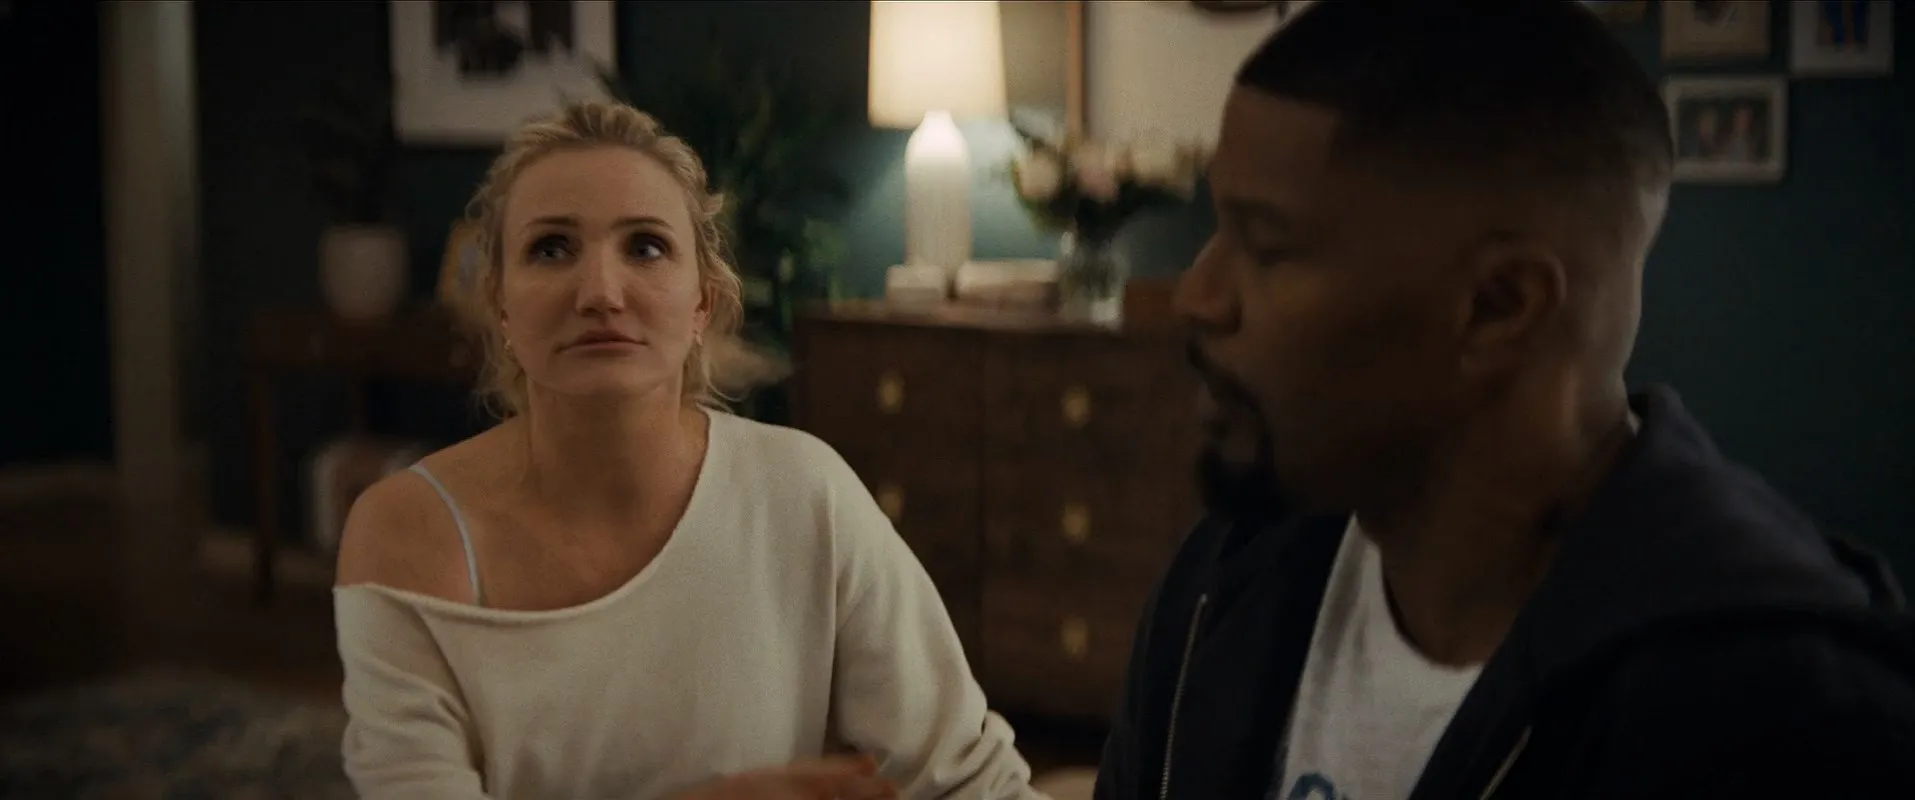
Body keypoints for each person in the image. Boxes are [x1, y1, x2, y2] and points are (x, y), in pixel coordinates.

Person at [1094, 3, 1915, 799]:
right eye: (1218, 227)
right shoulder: (1224, 579)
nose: (1196, 296)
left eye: (1266, 245)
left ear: (1498, 307)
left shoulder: (1786, 722)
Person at [333, 101, 1039, 800]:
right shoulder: (406, 532)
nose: (601, 292)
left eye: (645, 247)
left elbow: (966, 781)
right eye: (551, 248)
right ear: (501, 306)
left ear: (702, 301)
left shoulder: (801, 494)